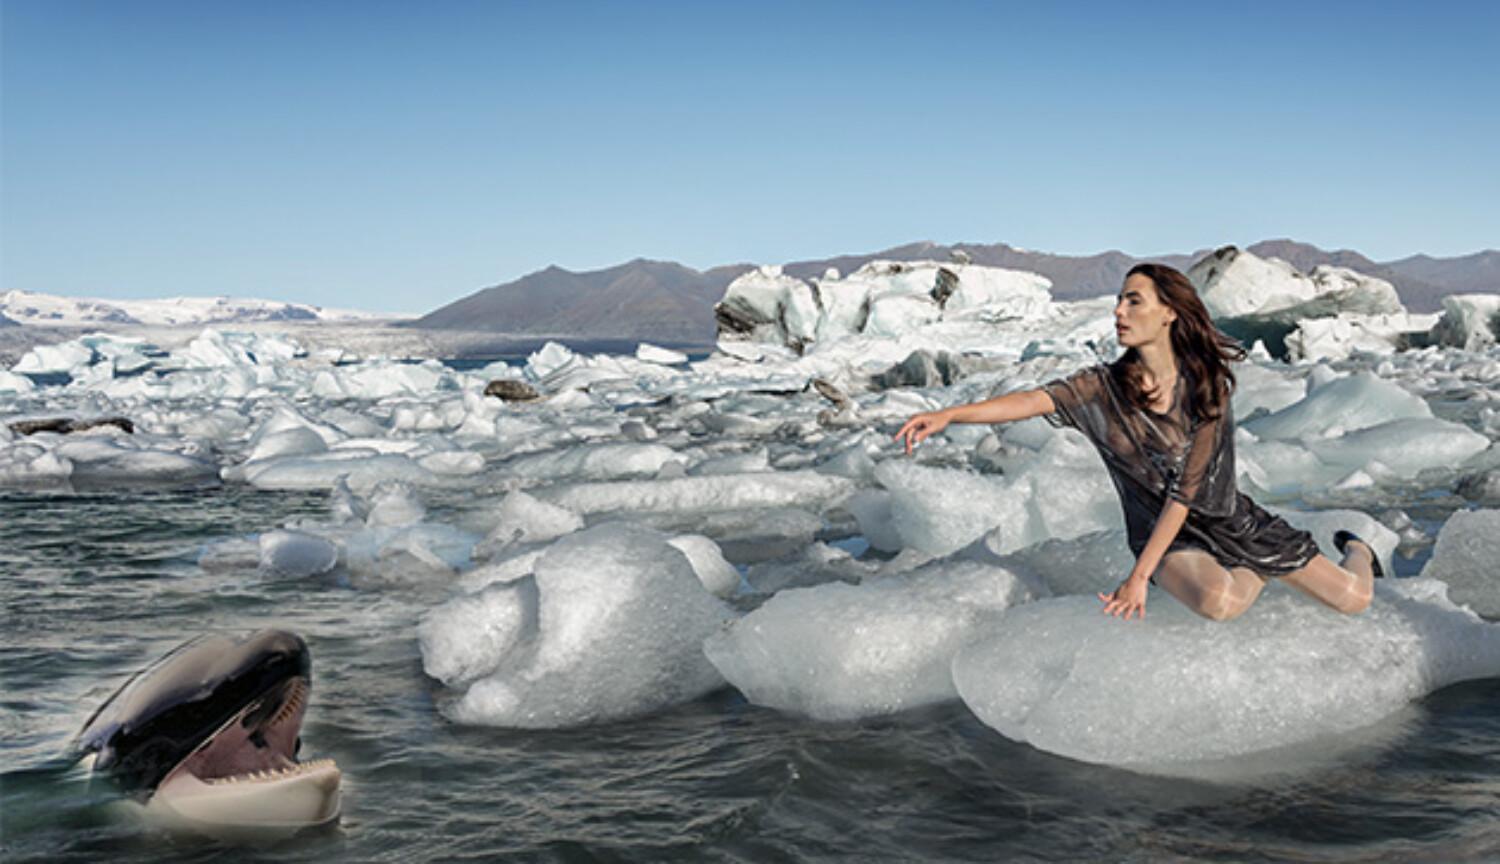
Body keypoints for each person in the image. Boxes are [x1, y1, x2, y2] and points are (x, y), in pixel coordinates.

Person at [893, 263, 1378, 622]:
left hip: (1229, 519)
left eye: (1133, 301)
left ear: (1168, 312)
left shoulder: (1208, 387)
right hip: (1163, 531)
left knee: (1354, 598)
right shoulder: (1102, 386)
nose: (1118, 310)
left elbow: (1187, 490)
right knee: (1218, 602)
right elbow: (1032, 400)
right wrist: (951, 413)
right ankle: (1259, 570)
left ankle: (1359, 548)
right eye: (1119, 301)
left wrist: (1137, 579)